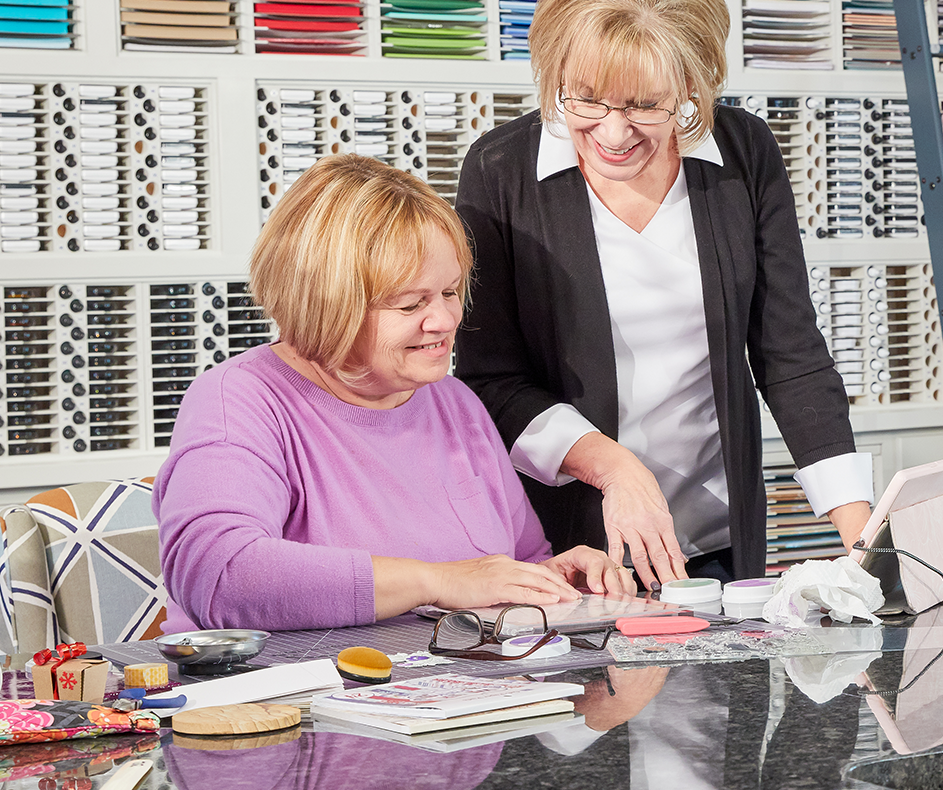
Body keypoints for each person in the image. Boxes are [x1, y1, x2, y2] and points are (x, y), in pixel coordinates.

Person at [454, 0, 874, 592]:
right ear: (553, 71)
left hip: (717, 543)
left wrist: (867, 541)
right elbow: (491, 380)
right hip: (574, 551)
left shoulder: (742, 153)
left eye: (647, 105)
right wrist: (615, 468)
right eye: (586, 99)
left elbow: (789, 351)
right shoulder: (501, 171)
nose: (614, 134)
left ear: (694, 82)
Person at [153, 153, 628, 634]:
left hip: (452, 693)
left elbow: (519, 557)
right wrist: (438, 582)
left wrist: (545, 582)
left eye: (450, 292)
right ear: (325, 302)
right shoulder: (240, 400)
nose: (445, 322)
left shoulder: (455, 402)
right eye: (410, 303)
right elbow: (222, 578)